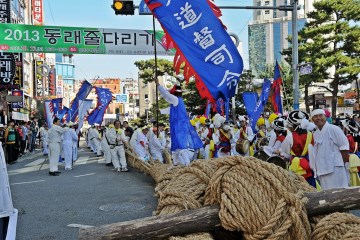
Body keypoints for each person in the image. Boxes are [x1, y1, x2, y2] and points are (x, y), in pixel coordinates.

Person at [156, 80, 203, 166]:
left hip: (180, 126)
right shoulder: (177, 102)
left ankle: (187, 164)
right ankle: (176, 164)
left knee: (181, 145)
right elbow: (170, 110)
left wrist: (158, 85)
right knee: (175, 146)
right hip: (176, 126)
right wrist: (160, 111)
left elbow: (166, 95)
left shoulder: (176, 99)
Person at [310, 109, 349, 190]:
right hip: (323, 170)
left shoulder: (334, 129)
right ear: (312, 119)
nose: (318, 118)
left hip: (335, 169)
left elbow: (344, 147)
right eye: (315, 116)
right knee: (327, 195)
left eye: (321, 115)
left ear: (325, 117)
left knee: (339, 194)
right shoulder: (315, 133)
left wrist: (342, 164)